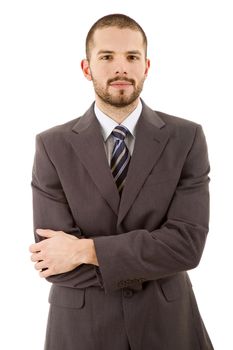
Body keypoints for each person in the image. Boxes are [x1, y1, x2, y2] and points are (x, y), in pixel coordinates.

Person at [29, 13, 214, 350]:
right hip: (81, 331)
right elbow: (53, 262)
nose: (121, 68)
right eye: (107, 57)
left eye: (132, 57)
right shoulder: (51, 145)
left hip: (167, 327)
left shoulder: (186, 138)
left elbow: (186, 246)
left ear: (146, 66)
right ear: (87, 68)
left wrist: (85, 250)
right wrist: (151, 257)